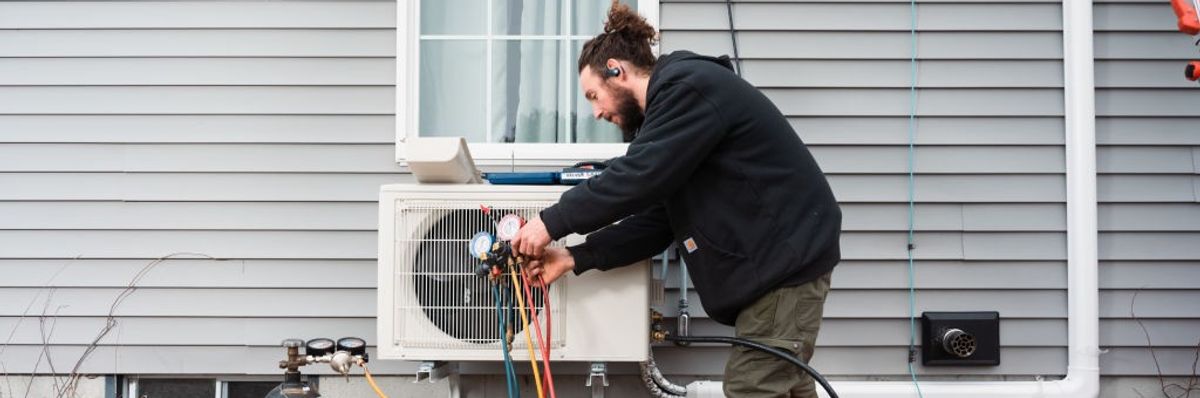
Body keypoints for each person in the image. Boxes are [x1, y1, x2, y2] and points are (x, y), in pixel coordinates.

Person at [510, 2, 842, 397]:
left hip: (786, 271)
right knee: (780, 387)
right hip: (780, 274)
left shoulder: (688, 88)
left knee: (751, 387)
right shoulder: (677, 122)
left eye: (594, 95)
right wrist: (573, 257)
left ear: (617, 69)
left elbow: (638, 174)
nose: (596, 112)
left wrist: (550, 222)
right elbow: (656, 222)